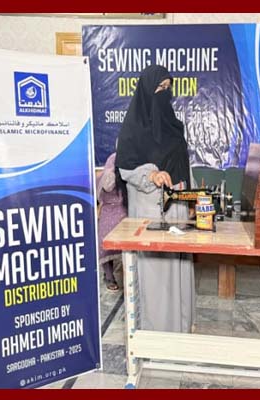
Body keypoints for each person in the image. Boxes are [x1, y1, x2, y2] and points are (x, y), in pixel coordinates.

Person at [115, 65, 195, 333]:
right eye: (160, 88)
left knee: (178, 269)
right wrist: (152, 174)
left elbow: (183, 163)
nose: (165, 93)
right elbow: (125, 168)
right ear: (147, 91)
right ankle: (156, 333)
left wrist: (192, 197)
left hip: (178, 209)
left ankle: (180, 328)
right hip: (150, 211)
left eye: (168, 88)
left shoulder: (174, 126)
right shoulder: (133, 130)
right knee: (157, 277)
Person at [96, 151, 126, 292]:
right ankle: (108, 276)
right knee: (105, 242)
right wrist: (112, 172)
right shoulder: (108, 169)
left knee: (129, 244)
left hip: (124, 210)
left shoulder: (132, 166)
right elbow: (107, 187)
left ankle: (129, 275)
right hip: (109, 210)